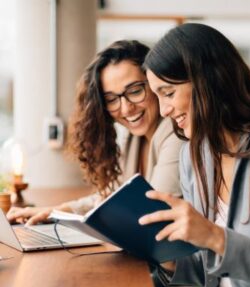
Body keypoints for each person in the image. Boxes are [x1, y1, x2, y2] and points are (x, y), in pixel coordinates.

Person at [139, 23, 250, 287]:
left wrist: (214, 236)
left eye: (168, 93)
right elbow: (204, 271)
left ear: (207, 79)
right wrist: (167, 258)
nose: (164, 111)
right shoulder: (193, 155)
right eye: (157, 97)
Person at [7, 40, 183, 227]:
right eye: (111, 99)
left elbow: (151, 211)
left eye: (135, 91)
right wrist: (55, 211)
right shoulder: (134, 139)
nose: (126, 108)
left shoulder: (175, 134)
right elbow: (109, 197)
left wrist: (103, 212)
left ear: (155, 84)